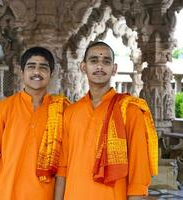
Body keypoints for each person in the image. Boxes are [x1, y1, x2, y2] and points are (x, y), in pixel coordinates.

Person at [54, 41, 158, 200]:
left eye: (106, 62)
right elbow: (62, 168)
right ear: (83, 67)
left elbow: (139, 173)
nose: (100, 66)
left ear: (114, 69)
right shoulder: (71, 112)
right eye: (94, 61)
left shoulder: (129, 111)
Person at [0, 47, 70, 200]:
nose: (37, 72)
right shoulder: (3, 108)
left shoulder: (62, 109)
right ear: (22, 72)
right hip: (7, 192)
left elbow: (63, 162)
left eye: (43, 67)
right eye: (31, 67)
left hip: (45, 194)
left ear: (51, 74)